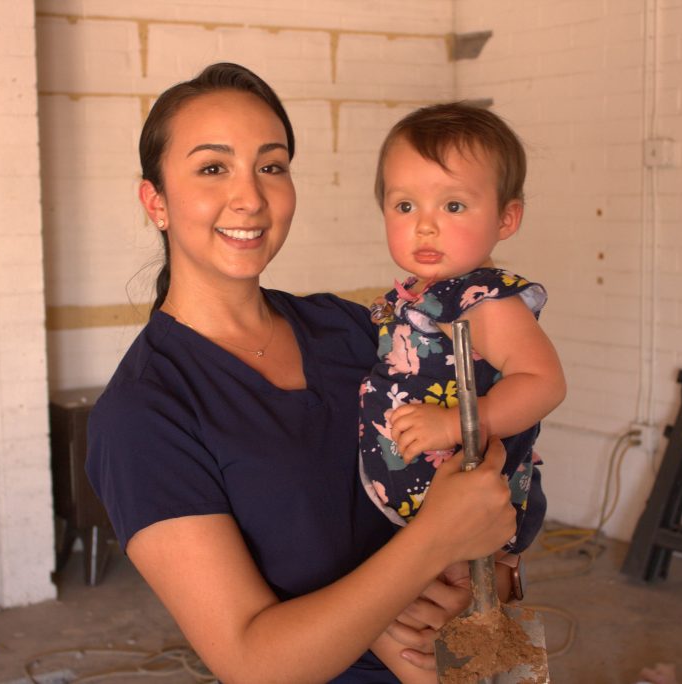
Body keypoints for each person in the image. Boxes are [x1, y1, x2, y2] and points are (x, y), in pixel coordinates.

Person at [85, 62, 525, 683]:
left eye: (272, 166)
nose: (251, 198)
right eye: (213, 168)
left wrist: (480, 577)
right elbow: (252, 663)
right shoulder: (143, 414)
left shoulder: (357, 329)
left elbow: (489, 459)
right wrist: (436, 541)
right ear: (155, 200)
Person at [357, 103, 567, 680]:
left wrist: (455, 425)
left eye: (453, 205)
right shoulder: (419, 295)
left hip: (473, 507)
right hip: (430, 516)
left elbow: (545, 383)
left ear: (506, 217)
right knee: (421, 629)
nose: (425, 225)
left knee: (445, 637)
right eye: (405, 205)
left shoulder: (484, 300)